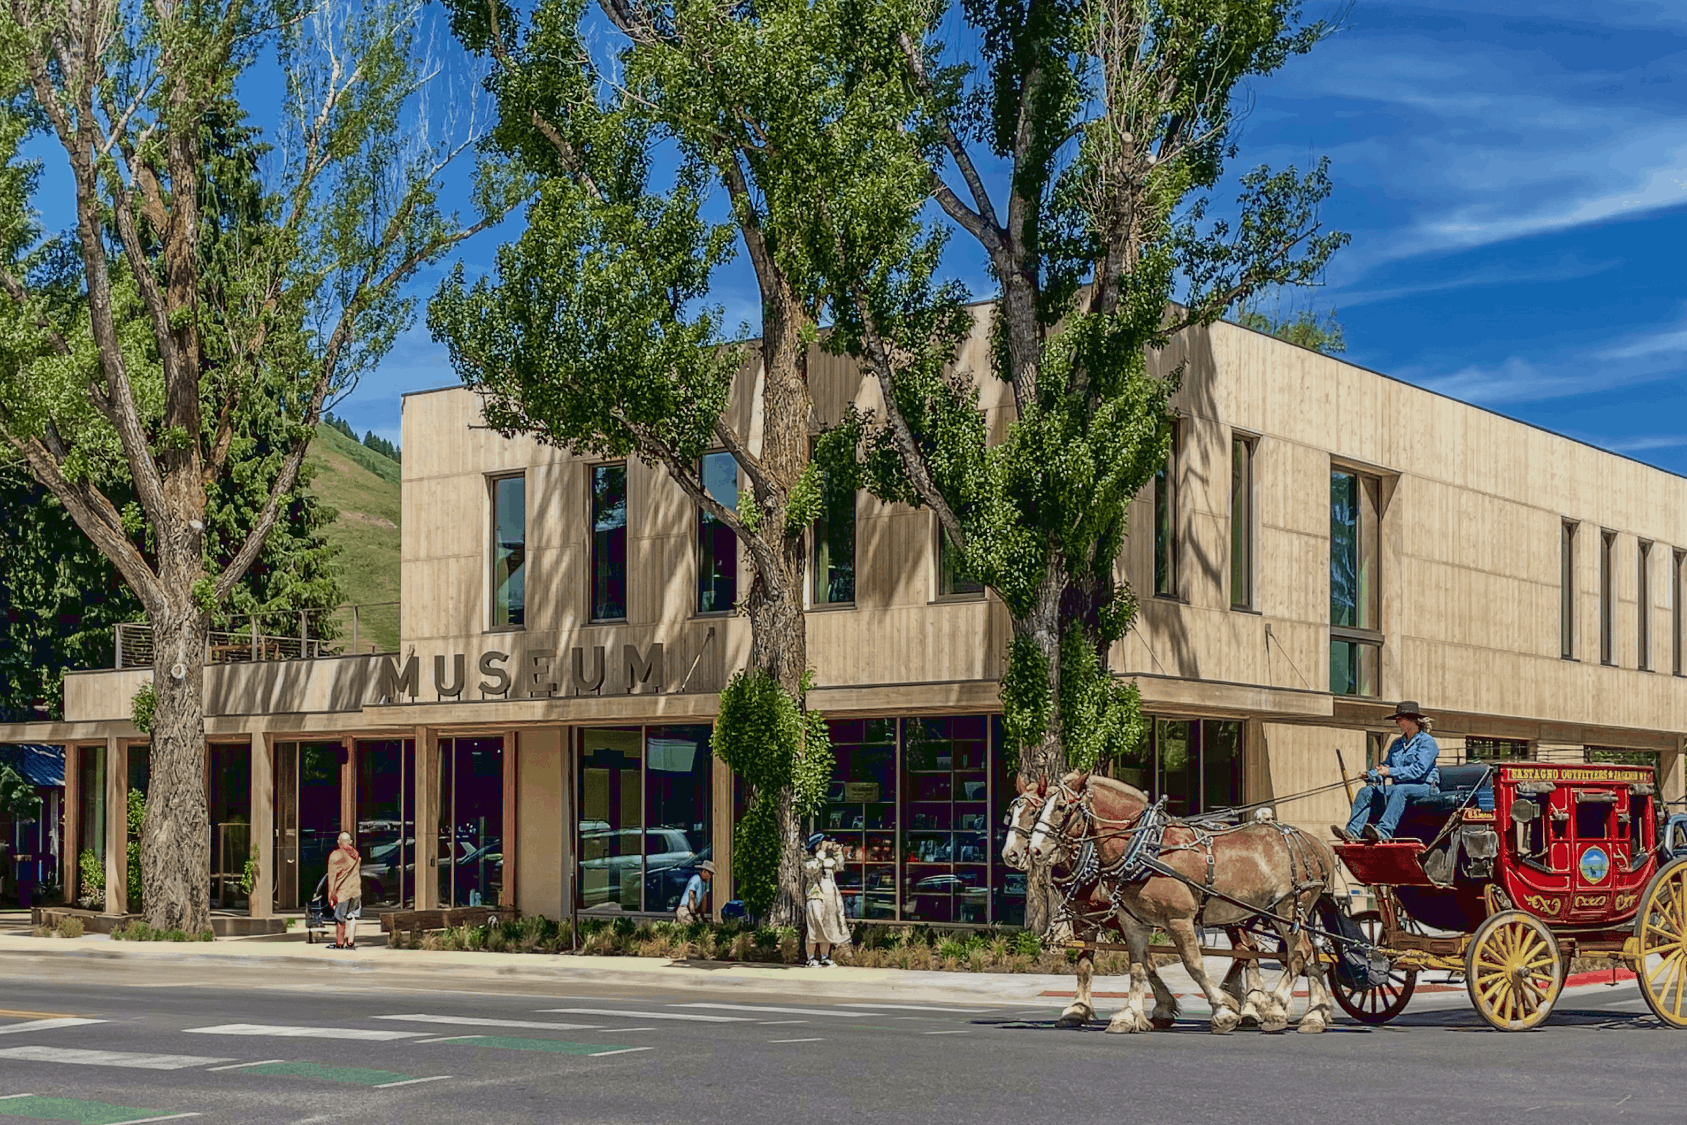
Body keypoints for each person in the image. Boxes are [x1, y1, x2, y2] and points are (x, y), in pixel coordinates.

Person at [1335, 701, 1441, 843]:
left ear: (1411, 720)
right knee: (1366, 792)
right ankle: (1352, 832)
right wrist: (1372, 774)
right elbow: (1386, 765)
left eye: (1399, 720)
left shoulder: (1427, 742)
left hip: (1425, 787)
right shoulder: (1397, 743)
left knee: (1400, 790)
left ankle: (1383, 831)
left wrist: (1389, 771)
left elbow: (1418, 770)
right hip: (1400, 787)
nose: (1397, 723)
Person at [803, 833, 850, 967]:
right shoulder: (808, 860)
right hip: (816, 896)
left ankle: (824, 956)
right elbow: (812, 870)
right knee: (814, 926)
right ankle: (811, 958)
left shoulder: (829, 860)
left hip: (830, 896)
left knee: (828, 926)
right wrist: (821, 852)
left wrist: (838, 852)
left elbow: (840, 866)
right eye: (824, 841)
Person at [325, 832, 362, 950]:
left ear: (338, 842)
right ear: (350, 842)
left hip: (343, 892)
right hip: (356, 890)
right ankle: (350, 942)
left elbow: (331, 877)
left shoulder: (335, 855)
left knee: (340, 917)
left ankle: (339, 943)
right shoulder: (356, 855)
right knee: (352, 915)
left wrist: (331, 894)